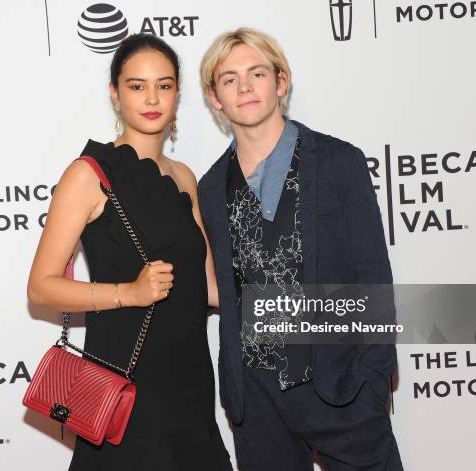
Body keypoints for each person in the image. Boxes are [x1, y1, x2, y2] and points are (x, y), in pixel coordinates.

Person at [198, 27, 404, 470]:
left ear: (281, 82)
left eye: (257, 73)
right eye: (230, 79)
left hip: (342, 386)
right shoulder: (211, 187)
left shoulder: (338, 162)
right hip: (257, 401)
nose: (245, 87)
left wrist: (371, 379)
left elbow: (373, 277)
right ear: (215, 98)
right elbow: (228, 294)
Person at [27, 33, 231, 470]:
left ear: (178, 93)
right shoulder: (89, 174)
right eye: (137, 86)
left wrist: (318, 307)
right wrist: (128, 293)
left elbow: (210, 289)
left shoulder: (184, 179)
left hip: (193, 393)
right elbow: (41, 288)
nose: (152, 97)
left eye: (165, 84)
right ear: (115, 94)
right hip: (124, 394)